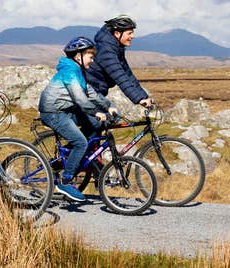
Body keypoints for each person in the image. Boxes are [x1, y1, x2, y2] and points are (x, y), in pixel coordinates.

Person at [38, 36, 118, 202]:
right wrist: (95, 111)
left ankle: (72, 156)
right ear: (78, 56)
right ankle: (65, 181)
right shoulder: (69, 72)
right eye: (90, 55)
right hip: (54, 113)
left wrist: (107, 105)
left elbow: (90, 92)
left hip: (66, 110)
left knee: (96, 125)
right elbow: (80, 99)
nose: (92, 59)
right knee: (80, 142)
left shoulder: (78, 71)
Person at [85, 15, 153, 108]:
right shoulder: (106, 51)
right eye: (129, 33)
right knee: (106, 119)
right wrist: (139, 99)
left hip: (96, 92)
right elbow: (120, 76)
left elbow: (128, 75)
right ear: (117, 34)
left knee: (111, 118)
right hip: (88, 94)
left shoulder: (115, 49)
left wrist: (144, 96)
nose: (132, 36)